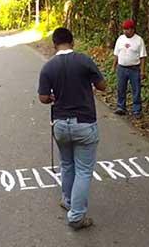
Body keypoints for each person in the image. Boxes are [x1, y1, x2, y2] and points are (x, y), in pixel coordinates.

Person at [38, 27, 107, 230]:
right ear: (72, 42)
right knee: (84, 171)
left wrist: (52, 96)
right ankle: (76, 216)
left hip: (60, 125)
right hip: (84, 124)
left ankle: (67, 200)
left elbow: (43, 98)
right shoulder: (84, 60)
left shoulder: (48, 67)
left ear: (54, 45)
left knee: (67, 165)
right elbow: (102, 86)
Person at [112, 19, 147, 118]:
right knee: (121, 88)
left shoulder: (139, 40)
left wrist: (142, 71)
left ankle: (136, 110)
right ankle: (121, 107)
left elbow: (143, 56)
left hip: (134, 68)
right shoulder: (120, 39)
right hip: (121, 68)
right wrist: (113, 66)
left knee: (136, 89)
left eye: (127, 29)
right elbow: (116, 54)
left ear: (132, 29)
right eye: (124, 29)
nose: (125, 31)